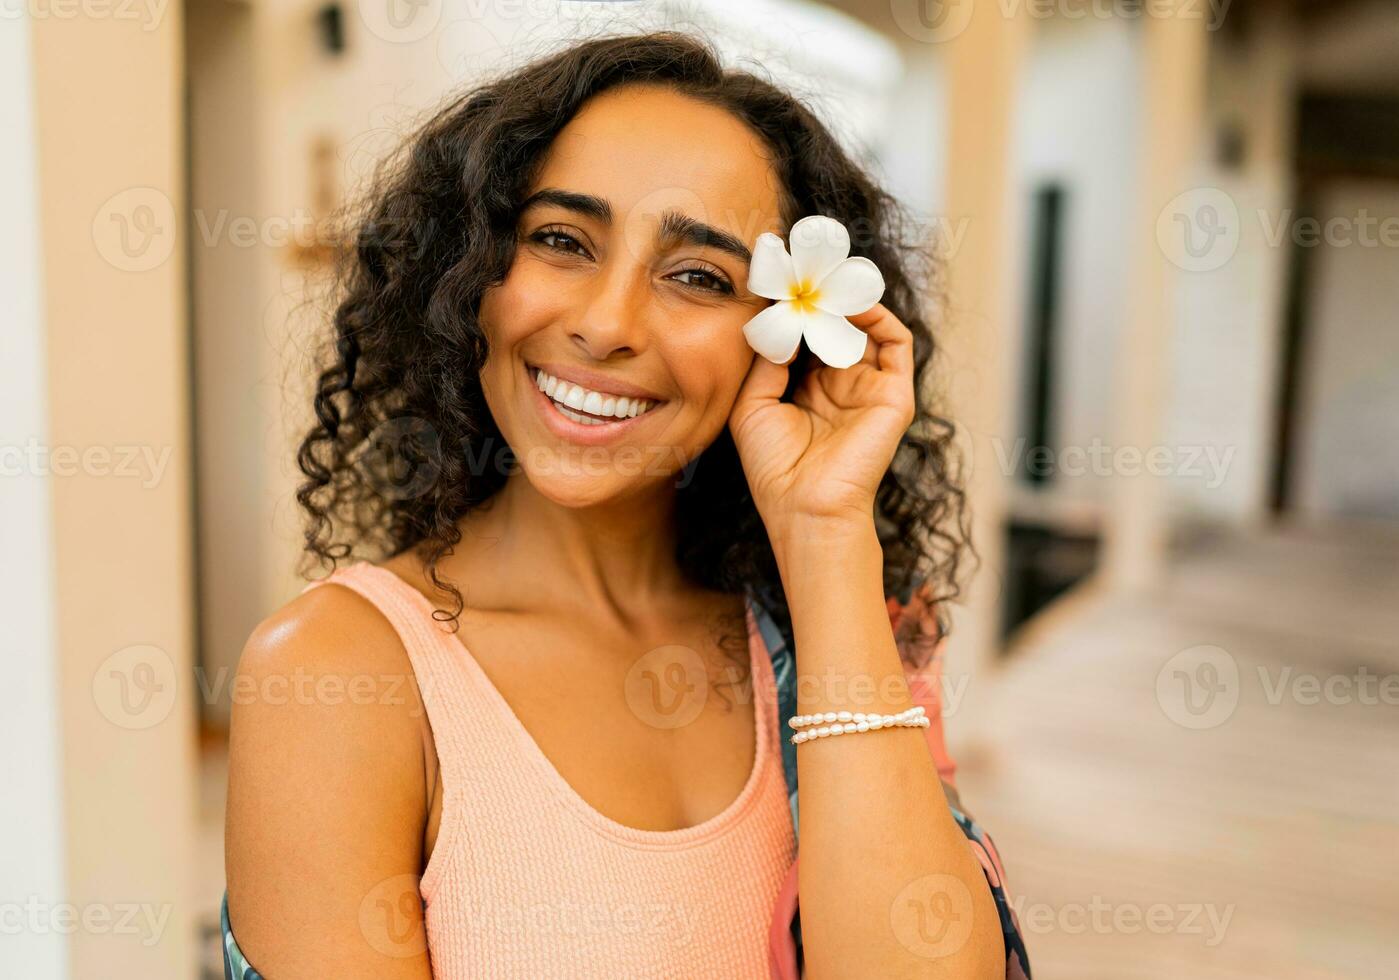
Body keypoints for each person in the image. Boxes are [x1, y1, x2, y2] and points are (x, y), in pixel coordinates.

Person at [223, 30, 1029, 980]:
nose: (605, 325)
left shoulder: (831, 639)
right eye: (560, 240)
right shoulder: (335, 674)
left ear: (789, 341)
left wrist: (825, 536)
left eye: (698, 277)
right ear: (467, 272)